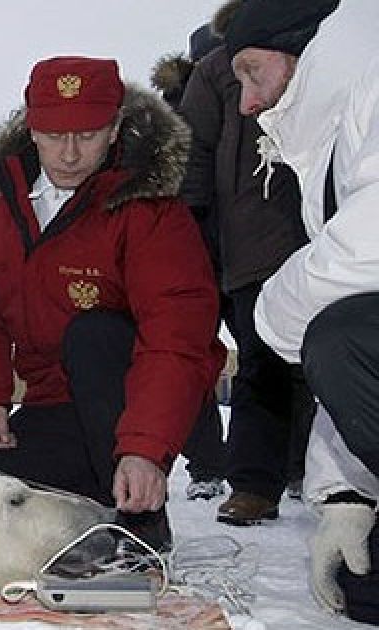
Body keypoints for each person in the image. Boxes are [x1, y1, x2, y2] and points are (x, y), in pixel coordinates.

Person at [0, 56, 225, 551]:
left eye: (88, 134)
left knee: (94, 333)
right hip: (51, 404)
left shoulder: (150, 209)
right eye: (54, 134)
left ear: (116, 127)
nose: (70, 153)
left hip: (133, 404)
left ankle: (139, 525)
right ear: (31, 128)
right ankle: (91, 504)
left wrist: (145, 450)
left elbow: (176, 336)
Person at [224, 0, 379, 622]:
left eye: (251, 73)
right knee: (364, 587)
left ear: (306, 51)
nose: (246, 104)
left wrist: (274, 315)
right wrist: (343, 492)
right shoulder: (339, 134)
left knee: (335, 334)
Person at [175, 0, 316, 524]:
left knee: (322, 358)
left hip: (321, 226)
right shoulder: (219, 68)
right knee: (263, 358)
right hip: (252, 235)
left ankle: (313, 472)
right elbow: (193, 152)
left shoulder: (328, 49)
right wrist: (191, 231)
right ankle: (255, 482)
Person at [148, 21, 232, 503]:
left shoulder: (256, 109)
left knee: (272, 361)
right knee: (189, 359)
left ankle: (278, 468)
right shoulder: (168, 123)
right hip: (190, 253)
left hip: (239, 249)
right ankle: (205, 465)